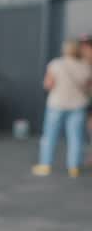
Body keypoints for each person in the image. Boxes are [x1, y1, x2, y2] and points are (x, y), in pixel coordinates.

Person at [33, 38, 92, 178]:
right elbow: (88, 87)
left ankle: (45, 165)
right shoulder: (85, 66)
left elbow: (48, 84)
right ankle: (73, 167)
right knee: (76, 138)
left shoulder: (56, 64)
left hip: (57, 105)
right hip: (78, 105)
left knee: (49, 136)